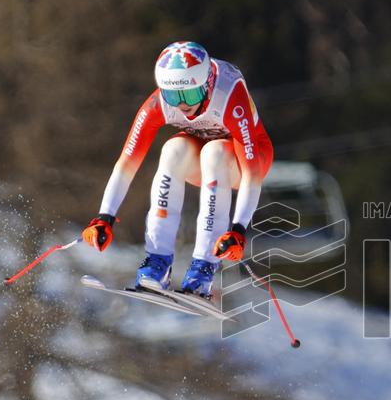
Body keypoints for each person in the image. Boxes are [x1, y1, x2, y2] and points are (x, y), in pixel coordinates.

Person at [81, 41, 273, 298]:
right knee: (173, 150)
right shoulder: (158, 103)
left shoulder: (229, 94)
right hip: (202, 157)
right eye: (173, 96)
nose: (182, 104)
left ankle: (203, 268)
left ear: (207, 83)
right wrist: (104, 217)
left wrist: (238, 230)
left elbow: (252, 175)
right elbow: (127, 162)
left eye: (190, 95)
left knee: (214, 153)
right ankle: (157, 263)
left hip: (246, 161)